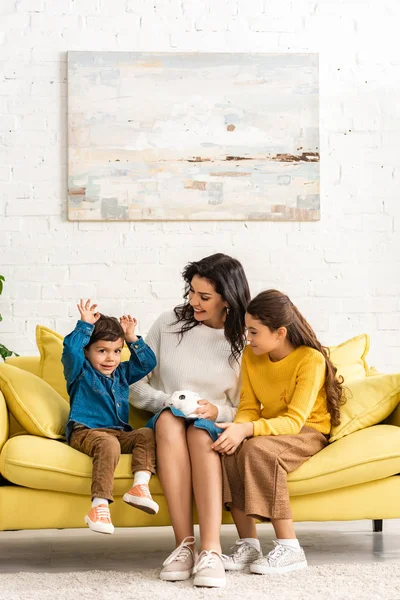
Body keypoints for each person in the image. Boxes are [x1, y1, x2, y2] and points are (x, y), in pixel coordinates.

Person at [130, 253, 251, 588]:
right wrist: (168, 401)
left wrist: (216, 412)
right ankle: (184, 546)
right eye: (191, 293)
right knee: (169, 421)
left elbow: (245, 407)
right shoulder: (168, 323)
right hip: (166, 418)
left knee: (200, 435)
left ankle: (211, 550)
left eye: (204, 297)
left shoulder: (243, 340)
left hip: (209, 427)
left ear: (228, 299)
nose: (193, 302)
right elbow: (134, 385)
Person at [212, 289, 344, 574]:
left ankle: (290, 548)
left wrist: (248, 429)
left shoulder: (310, 360)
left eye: (254, 332)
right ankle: (248, 545)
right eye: (248, 331)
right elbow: (248, 405)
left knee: (259, 452)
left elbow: (295, 421)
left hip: (308, 430)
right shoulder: (251, 355)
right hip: (274, 427)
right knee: (231, 450)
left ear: (279, 332)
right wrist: (238, 429)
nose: (249, 338)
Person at [62, 299, 159, 535]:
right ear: (87, 351)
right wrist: (84, 326)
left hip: (117, 432)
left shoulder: (122, 374)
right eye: (102, 351)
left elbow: (148, 362)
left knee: (146, 433)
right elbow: (71, 351)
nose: (110, 359)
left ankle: (139, 487)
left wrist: (131, 338)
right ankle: (99, 506)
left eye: (116, 352)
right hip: (86, 431)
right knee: (109, 443)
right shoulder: (80, 372)